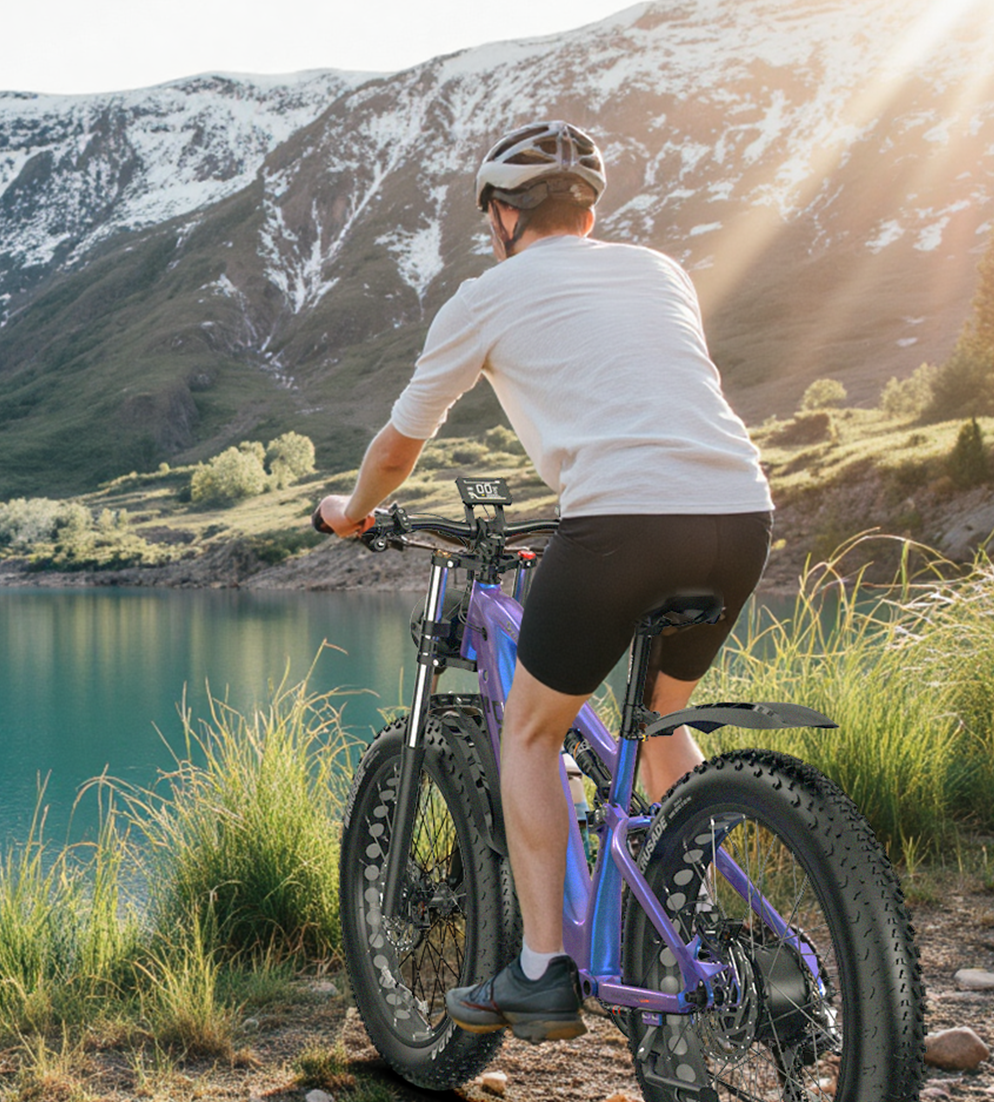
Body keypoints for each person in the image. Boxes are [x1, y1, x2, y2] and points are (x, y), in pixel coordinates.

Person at [316, 120, 773, 1042]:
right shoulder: (659, 271)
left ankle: (540, 970)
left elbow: (401, 446)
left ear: (499, 217)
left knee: (531, 732)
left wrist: (352, 509)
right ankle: (721, 934)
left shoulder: (487, 296)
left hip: (618, 523)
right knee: (659, 723)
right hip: (739, 512)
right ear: (591, 212)